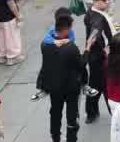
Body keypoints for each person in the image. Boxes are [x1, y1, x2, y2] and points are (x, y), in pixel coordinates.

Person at [38, 11, 88, 142]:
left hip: (54, 87)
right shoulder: (71, 47)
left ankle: (55, 137)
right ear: (66, 29)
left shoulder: (45, 45)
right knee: (71, 114)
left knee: (55, 112)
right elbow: (81, 64)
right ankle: (71, 138)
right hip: (70, 87)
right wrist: (87, 50)